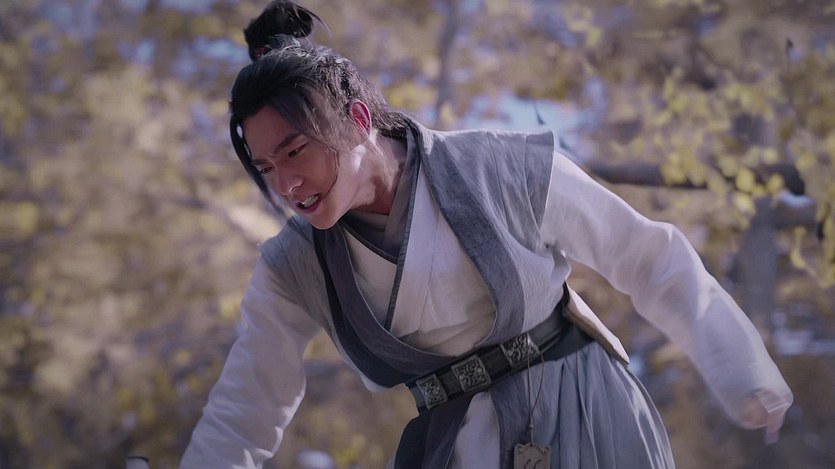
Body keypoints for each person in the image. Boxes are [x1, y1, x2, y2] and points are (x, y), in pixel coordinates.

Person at [181, 2, 793, 468]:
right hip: (454, 443)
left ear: (358, 119)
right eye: (266, 167)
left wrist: (743, 370)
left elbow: (646, 255)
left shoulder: (500, 166)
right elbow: (248, 401)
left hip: (583, 409)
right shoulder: (293, 263)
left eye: (295, 151)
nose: (286, 184)